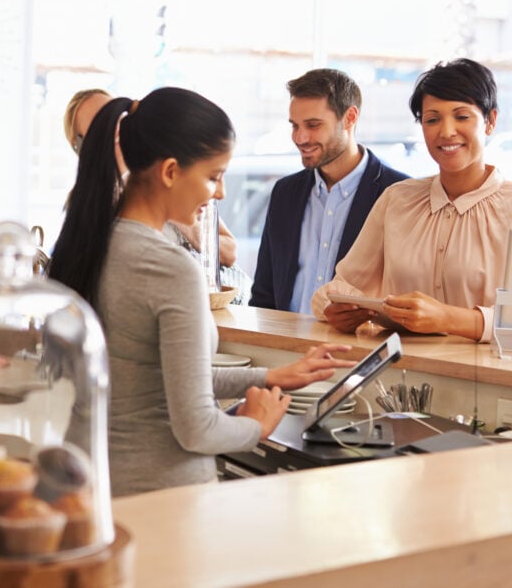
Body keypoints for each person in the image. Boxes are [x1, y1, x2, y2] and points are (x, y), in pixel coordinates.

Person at [49, 87, 355, 497]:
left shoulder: (92, 242)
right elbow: (197, 428)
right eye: (214, 176)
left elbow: (152, 377)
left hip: (95, 487)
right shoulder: (171, 267)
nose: (221, 193)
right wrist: (257, 426)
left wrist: (271, 376)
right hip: (163, 495)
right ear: (171, 171)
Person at [311, 58, 512, 342]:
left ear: (490, 122)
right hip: (400, 375)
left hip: (490, 380)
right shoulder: (396, 200)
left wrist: (448, 319)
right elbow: (333, 291)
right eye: (432, 119)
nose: (446, 131)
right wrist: (338, 310)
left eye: (462, 116)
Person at [63, 88, 249, 297]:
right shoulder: (90, 207)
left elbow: (229, 251)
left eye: (115, 118)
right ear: (80, 145)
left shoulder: (179, 186)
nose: (112, 127)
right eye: (99, 124)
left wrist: (172, 205)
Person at [250, 68, 408, 313]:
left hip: (358, 348)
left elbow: (402, 297)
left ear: (350, 117)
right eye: (294, 126)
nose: (300, 138)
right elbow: (264, 294)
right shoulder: (285, 193)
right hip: (286, 348)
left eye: (313, 125)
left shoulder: (398, 194)